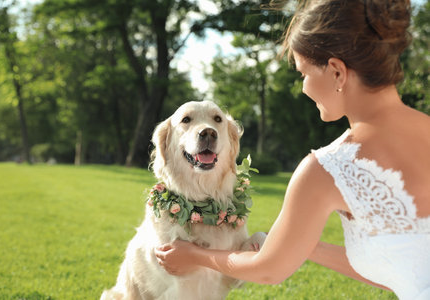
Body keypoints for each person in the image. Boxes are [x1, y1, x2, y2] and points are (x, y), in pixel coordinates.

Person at [154, 0, 430, 298]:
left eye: (304, 74)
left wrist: (194, 256)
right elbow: (405, 266)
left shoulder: (329, 169)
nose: (304, 88)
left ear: (337, 72)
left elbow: (268, 270)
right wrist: (301, 243)